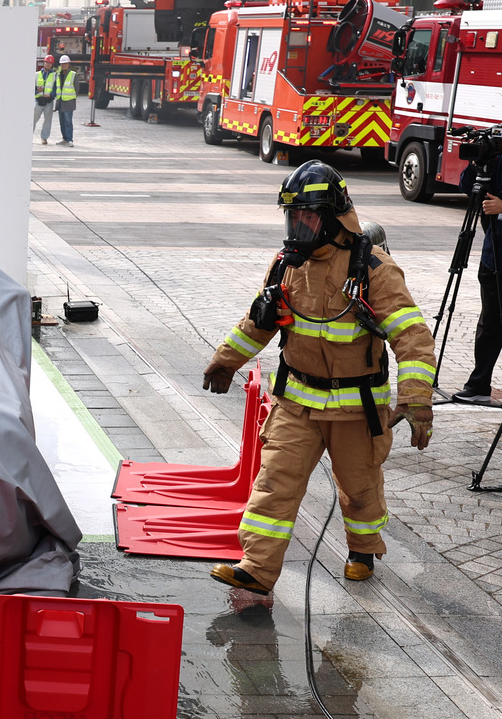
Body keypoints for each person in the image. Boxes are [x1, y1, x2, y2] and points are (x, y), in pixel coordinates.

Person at [202, 162, 437, 594]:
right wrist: (225, 360)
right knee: (275, 481)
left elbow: (412, 335)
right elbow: (260, 319)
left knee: (360, 488)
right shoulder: (287, 265)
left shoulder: (374, 270)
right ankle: (256, 566)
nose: (297, 226)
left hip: (355, 409)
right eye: (292, 216)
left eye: (306, 216)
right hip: (297, 402)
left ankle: (363, 549)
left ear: (331, 217)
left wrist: (417, 397)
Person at [449, 160, 502, 406]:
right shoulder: (497, 153)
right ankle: (479, 385)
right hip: (492, 256)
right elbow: (467, 187)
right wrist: (478, 160)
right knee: (489, 323)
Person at [53, 55, 78, 146]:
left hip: (68, 102)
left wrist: (71, 98)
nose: (64, 65)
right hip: (60, 102)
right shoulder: (58, 75)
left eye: (65, 64)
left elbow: (76, 89)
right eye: (62, 64)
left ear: (68, 64)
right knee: (62, 122)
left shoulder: (73, 75)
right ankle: (65, 139)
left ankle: (70, 139)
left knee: (68, 121)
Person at [35, 54, 58, 145]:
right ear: (43, 63)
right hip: (38, 100)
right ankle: (28, 136)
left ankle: (44, 138)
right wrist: (37, 90)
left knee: (47, 120)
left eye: (50, 63)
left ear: (52, 65)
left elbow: (57, 88)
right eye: (46, 62)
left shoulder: (55, 76)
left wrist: (51, 95)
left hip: (49, 101)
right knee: (33, 119)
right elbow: (31, 87)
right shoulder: (36, 75)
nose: (48, 64)